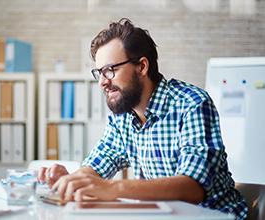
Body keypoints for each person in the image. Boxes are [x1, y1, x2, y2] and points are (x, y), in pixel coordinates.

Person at [38, 18, 247, 219]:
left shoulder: (192, 103)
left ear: (142, 67)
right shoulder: (123, 116)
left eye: (110, 70)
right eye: (99, 72)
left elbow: (193, 187)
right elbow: (98, 167)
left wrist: (114, 188)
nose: (102, 82)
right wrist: (73, 180)